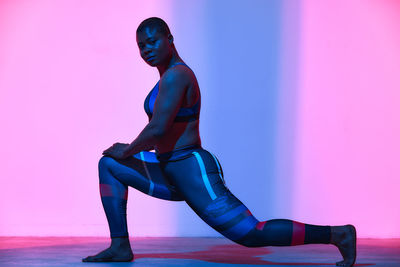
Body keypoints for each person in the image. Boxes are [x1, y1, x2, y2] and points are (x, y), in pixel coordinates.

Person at [82, 17, 357, 266]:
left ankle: (338, 235)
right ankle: (119, 246)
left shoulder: (178, 75)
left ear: (170, 39)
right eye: (141, 46)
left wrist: (127, 150)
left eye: (153, 41)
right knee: (109, 165)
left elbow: (158, 129)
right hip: (166, 168)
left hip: (191, 170)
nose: (147, 50)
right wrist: (125, 154)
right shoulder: (166, 78)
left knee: (252, 234)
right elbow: (159, 132)